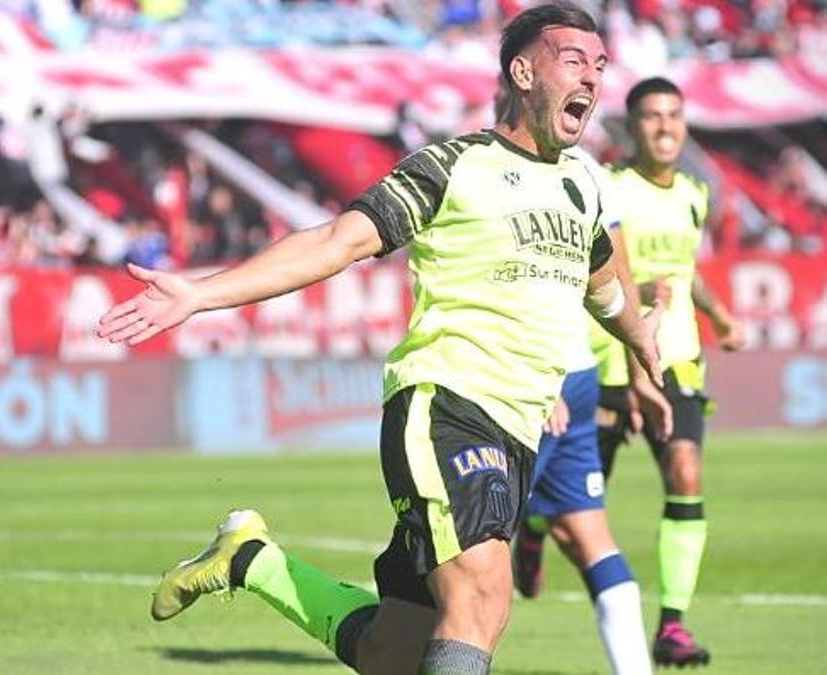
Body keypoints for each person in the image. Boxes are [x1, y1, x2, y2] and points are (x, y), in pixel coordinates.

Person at [98, 4, 671, 673]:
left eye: (600, 65)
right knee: (484, 594)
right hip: (449, 406)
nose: (593, 78)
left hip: (516, 431)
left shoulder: (581, 187)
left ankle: (250, 558)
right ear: (522, 72)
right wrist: (202, 292)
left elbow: (604, 288)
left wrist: (642, 341)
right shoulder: (454, 165)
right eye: (573, 60)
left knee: (392, 651)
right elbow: (339, 240)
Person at [590, 76, 743, 668]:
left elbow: (687, 270)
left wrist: (720, 315)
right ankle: (535, 530)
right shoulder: (610, 188)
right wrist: (634, 293)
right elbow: (605, 269)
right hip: (607, 356)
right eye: (652, 116)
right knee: (574, 505)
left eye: (673, 115)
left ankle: (672, 627)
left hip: (677, 354)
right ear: (632, 127)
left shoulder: (694, 194)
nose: (664, 126)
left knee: (685, 471)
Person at [511, 149, 653, 675]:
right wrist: (642, 368)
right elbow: (619, 269)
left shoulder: (489, 165)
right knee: (587, 536)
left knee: (464, 559)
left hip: (534, 378)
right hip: (578, 369)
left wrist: (540, 375)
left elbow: (517, 278)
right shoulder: (590, 169)